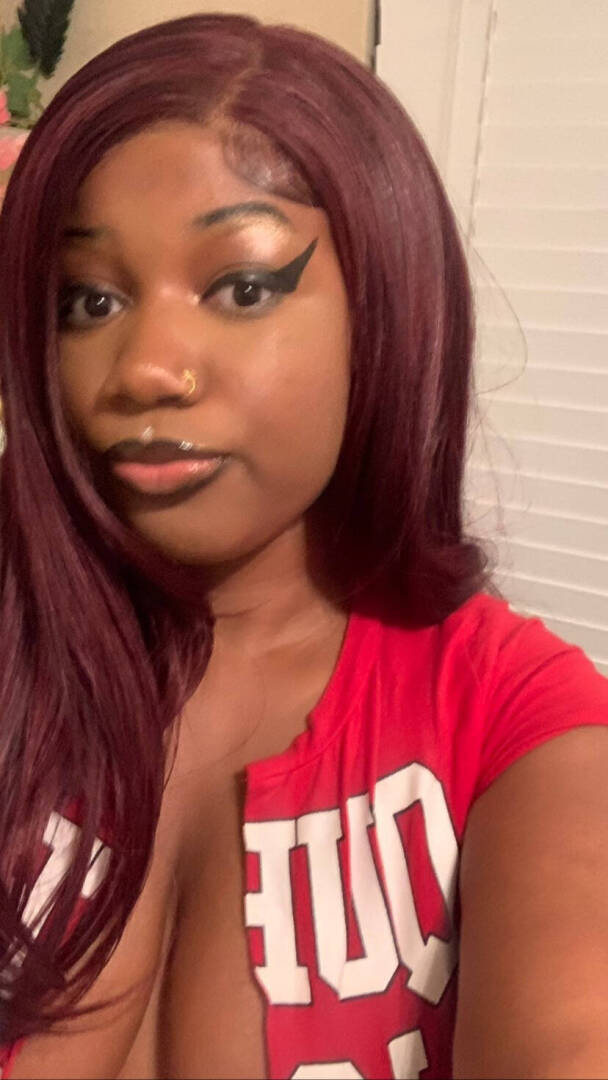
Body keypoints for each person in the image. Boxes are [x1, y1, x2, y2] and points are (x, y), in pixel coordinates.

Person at [0, 13, 607, 1079]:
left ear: (384, 311)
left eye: (241, 287)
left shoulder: (515, 723)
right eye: (90, 299)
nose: (145, 369)